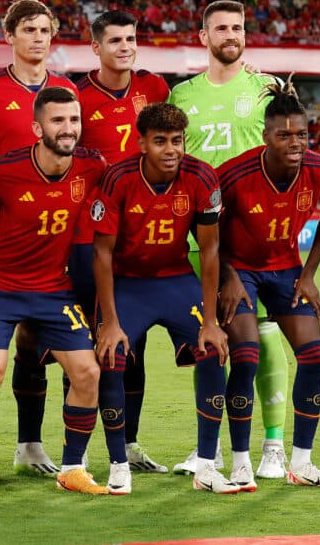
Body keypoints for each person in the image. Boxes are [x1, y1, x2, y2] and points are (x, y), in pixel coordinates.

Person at [0, 87, 107, 498]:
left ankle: (73, 468)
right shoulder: (2, 171)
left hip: (52, 289)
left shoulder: (91, 166)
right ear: (36, 127)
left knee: (88, 373)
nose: (68, 129)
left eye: (74, 120)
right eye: (58, 121)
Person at [167, 0, 291, 479]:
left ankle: (274, 446)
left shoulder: (266, 90)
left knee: (262, 333)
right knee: (209, 338)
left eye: (237, 27)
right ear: (204, 37)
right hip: (199, 236)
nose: (230, 34)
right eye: (221, 27)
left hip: (254, 233)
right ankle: (209, 452)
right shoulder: (182, 96)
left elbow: (290, 150)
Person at [91, 103, 236, 495]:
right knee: (112, 356)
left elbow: (209, 251)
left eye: (177, 141)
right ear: (142, 143)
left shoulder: (201, 177)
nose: (170, 150)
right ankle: (118, 463)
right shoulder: (118, 178)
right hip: (128, 283)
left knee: (212, 349)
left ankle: (207, 465)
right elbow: (101, 253)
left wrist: (210, 320)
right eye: (160, 142)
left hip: (175, 280)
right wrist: (108, 321)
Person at [0, 0, 78, 477]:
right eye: (27, 29)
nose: (37, 37)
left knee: (37, 346)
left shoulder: (68, 90)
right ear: (9, 36)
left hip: (54, 241)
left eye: (44, 29)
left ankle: (30, 444)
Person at [216, 79, 320, 490]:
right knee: (247, 355)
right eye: (285, 135)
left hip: (286, 269)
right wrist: (229, 279)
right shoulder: (233, 176)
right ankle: (240, 463)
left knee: (315, 355)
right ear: (266, 136)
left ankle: (302, 464)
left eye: (302, 134)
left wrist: (308, 274)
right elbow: (206, 235)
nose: (295, 142)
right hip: (239, 270)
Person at [77, 9, 171, 476]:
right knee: (81, 345)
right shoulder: (77, 95)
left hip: (143, 240)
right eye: (115, 40)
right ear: (96, 47)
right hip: (92, 240)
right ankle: (58, 448)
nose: (125, 47)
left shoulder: (154, 89)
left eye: (131, 39)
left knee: (135, 347)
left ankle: (128, 445)